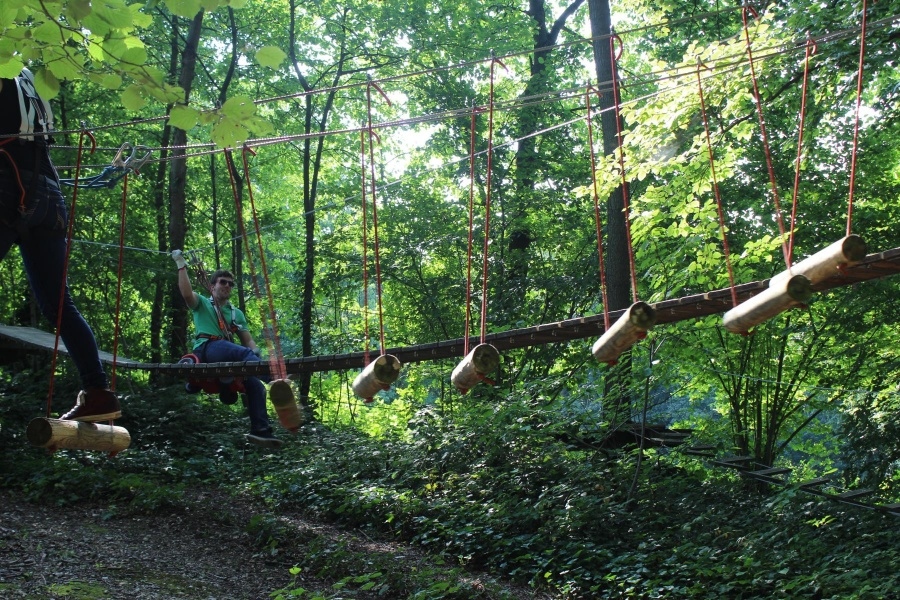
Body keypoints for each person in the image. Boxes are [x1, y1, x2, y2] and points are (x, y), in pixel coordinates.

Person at [0, 69, 120, 422]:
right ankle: (98, 392)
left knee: (59, 304)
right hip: (48, 196)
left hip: (6, 188)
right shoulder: (28, 78)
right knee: (60, 306)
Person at [172, 250, 293, 448]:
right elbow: (186, 293)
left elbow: (248, 341)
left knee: (255, 385)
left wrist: (258, 355)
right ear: (212, 286)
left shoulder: (235, 314)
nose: (227, 285)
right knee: (238, 352)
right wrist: (181, 264)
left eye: (230, 283)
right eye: (222, 282)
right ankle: (275, 380)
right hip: (207, 348)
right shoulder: (202, 303)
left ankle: (261, 431)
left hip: (225, 351)